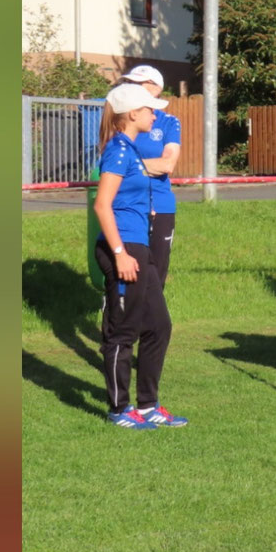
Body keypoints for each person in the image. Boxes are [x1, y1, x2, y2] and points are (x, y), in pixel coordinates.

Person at [94, 83, 182, 426]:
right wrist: (119, 254)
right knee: (123, 331)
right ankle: (119, 409)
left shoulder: (129, 150)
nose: (153, 114)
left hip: (138, 248)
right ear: (132, 114)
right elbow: (102, 205)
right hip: (122, 248)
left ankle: (147, 405)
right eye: (148, 109)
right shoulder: (117, 151)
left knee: (159, 325)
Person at [123, 63, 182, 284]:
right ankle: (122, 317)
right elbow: (106, 163)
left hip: (160, 204)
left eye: (138, 83)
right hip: (126, 206)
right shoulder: (120, 120)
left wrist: (126, 166)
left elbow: (167, 164)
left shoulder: (168, 122)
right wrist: (146, 166)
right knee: (126, 274)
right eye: (130, 83)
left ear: (156, 88)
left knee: (156, 274)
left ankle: (151, 319)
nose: (131, 87)